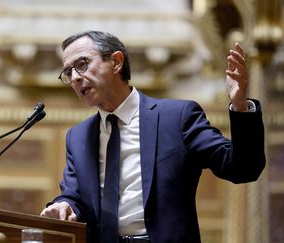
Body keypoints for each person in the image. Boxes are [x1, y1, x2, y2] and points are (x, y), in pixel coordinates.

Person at [40, 30, 266, 243]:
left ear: (116, 62)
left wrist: (240, 106)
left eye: (82, 64)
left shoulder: (177, 118)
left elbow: (243, 168)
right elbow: (74, 197)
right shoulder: (78, 137)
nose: (76, 78)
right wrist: (64, 205)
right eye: (68, 72)